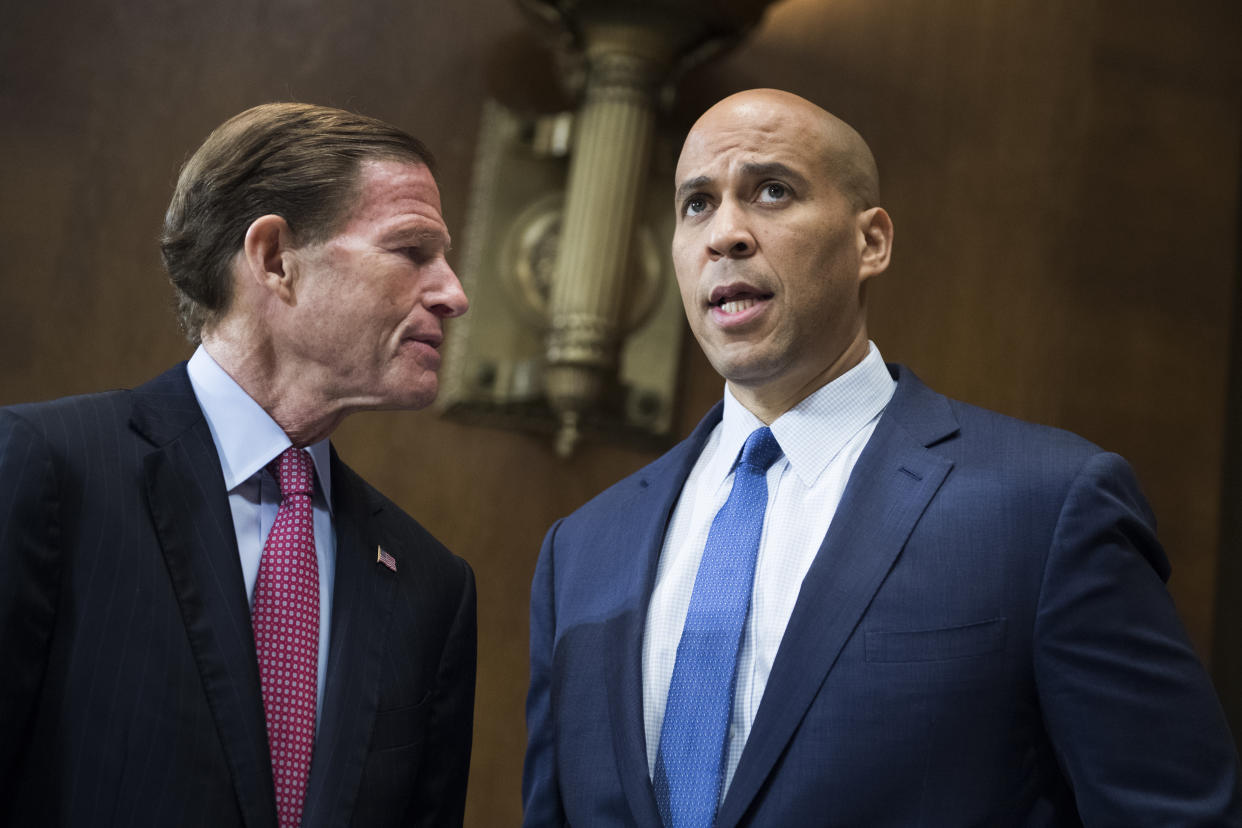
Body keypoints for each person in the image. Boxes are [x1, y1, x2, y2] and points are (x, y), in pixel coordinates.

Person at [522, 88, 1241, 826]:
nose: (726, 233)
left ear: (872, 242)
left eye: (772, 191)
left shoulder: (1047, 505)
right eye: (697, 204)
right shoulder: (581, 549)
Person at [0, 103, 476, 828]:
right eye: (411, 250)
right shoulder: (50, 471)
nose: (453, 294)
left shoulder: (430, 583)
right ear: (275, 258)